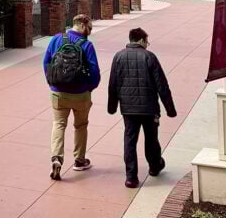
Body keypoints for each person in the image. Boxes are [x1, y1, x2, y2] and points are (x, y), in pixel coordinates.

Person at [107, 26, 177, 189]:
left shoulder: (118, 57)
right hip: (149, 108)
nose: (148, 44)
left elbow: (113, 84)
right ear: (141, 40)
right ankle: (155, 165)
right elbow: (162, 85)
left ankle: (131, 177)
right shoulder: (150, 57)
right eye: (147, 41)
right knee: (151, 138)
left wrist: (112, 107)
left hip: (128, 109)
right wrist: (170, 109)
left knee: (130, 141)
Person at [43, 14, 101, 180]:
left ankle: (56, 158)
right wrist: (89, 88)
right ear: (82, 25)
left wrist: (52, 83)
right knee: (81, 125)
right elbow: (95, 72)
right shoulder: (87, 45)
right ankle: (79, 161)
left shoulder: (56, 39)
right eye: (89, 27)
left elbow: (46, 62)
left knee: (59, 124)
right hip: (80, 93)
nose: (89, 31)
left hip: (58, 92)